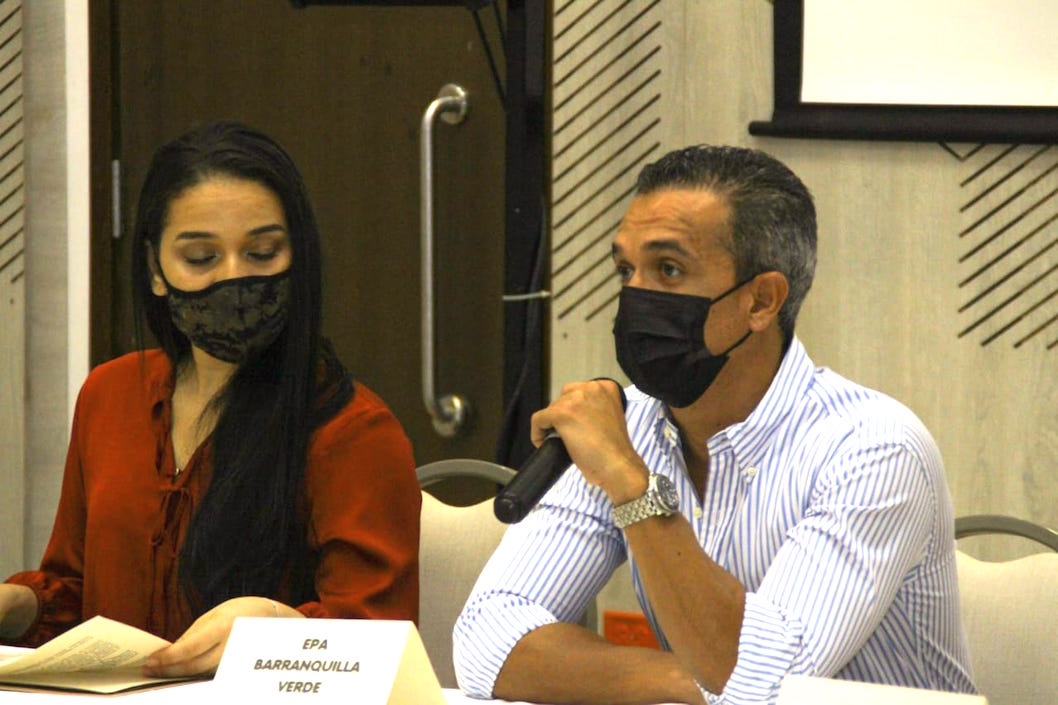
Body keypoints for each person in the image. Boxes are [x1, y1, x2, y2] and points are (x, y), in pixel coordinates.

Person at [453, 145, 976, 704]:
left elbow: (763, 685)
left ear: (761, 301)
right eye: (625, 270)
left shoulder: (875, 449)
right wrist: (687, 681)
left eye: (669, 269)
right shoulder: (626, 425)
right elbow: (485, 641)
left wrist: (633, 485)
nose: (635, 297)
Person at [0, 121, 420, 677]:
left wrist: (275, 624)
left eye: (263, 252)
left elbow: (377, 648)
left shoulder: (353, 430)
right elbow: (79, 595)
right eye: (201, 259)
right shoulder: (110, 395)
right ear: (155, 270)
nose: (234, 278)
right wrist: (18, 605)